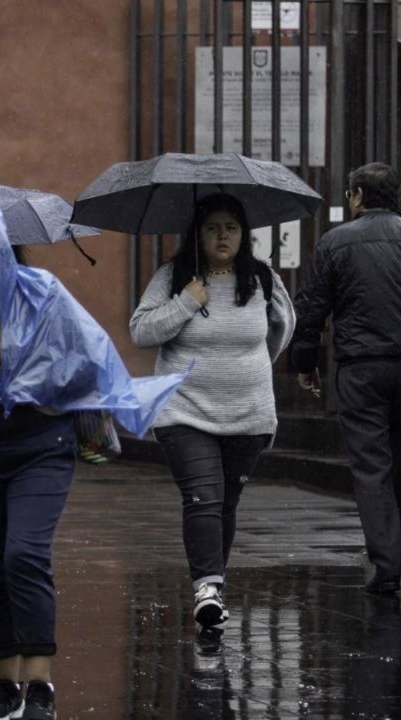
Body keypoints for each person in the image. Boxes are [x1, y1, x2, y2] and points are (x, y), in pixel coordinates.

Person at [0, 197, 183, 720]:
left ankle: (41, 687)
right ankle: (4, 688)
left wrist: (54, 388)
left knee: (23, 555)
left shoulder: (43, 295)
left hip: (39, 447)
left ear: (4, 255)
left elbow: (90, 355)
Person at [291, 162, 401, 595]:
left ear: (356, 196)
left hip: (361, 369)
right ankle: (395, 538)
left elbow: (313, 309)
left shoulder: (335, 244)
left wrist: (305, 362)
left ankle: (388, 561)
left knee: (372, 465)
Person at [129, 192, 295, 633]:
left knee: (226, 503)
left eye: (232, 228)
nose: (223, 236)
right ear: (197, 234)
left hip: (248, 414)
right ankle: (208, 588)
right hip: (185, 412)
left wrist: (251, 369)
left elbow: (281, 330)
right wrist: (185, 302)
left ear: (243, 234)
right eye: (213, 228)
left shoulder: (262, 279)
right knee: (204, 495)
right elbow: (141, 332)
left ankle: (212, 586)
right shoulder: (174, 276)